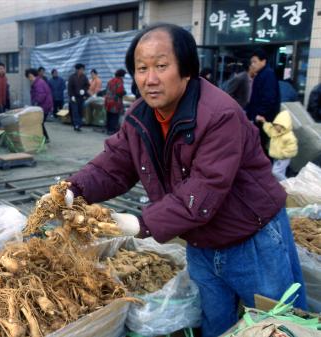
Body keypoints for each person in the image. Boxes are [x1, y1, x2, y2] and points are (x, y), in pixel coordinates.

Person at [62, 23, 306, 337]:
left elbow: (204, 189)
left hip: (252, 239)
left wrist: (139, 223)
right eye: (141, 68)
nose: (150, 79)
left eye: (161, 66)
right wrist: (72, 190)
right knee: (216, 325)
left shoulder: (220, 115)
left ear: (186, 69)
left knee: (275, 325)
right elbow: (114, 165)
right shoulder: (140, 116)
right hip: (201, 242)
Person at [245, 49, 280, 155]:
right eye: (251, 62)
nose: (252, 65)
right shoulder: (261, 74)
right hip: (259, 119)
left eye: (255, 61)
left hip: (263, 120)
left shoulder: (267, 75)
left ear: (263, 61)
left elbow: (269, 99)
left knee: (261, 149)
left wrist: (258, 114)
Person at [256, 110, 298, 181]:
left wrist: (282, 154)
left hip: (283, 158)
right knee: (281, 172)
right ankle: (281, 184)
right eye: (274, 124)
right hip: (277, 157)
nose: (275, 126)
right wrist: (264, 122)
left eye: (276, 125)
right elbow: (269, 129)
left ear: (283, 125)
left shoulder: (289, 137)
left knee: (275, 172)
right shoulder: (275, 131)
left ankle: (287, 183)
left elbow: (292, 149)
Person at [25, 68, 53, 143]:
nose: (29, 79)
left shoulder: (38, 83)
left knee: (38, 123)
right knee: (40, 123)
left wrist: (35, 104)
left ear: (31, 75)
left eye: (28, 77)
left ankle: (45, 138)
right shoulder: (38, 82)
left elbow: (41, 95)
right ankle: (45, 138)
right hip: (44, 106)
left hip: (44, 106)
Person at [68, 63, 90, 132]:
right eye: (81, 69)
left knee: (80, 111)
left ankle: (79, 124)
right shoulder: (72, 77)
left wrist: (84, 91)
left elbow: (87, 85)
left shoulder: (84, 77)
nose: (82, 71)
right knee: (75, 111)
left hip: (81, 97)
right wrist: (71, 96)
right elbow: (69, 88)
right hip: (74, 97)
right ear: (77, 70)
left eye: (83, 70)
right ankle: (76, 125)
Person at [104, 69, 126, 135]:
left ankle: (108, 129)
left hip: (108, 101)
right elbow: (119, 92)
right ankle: (113, 130)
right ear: (121, 75)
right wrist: (124, 92)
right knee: (114, 116)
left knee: (109, 115)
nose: (124, 77)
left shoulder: (110, 81)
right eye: (124, 75)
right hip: (115, 102)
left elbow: (106, 90)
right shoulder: (119, 81)